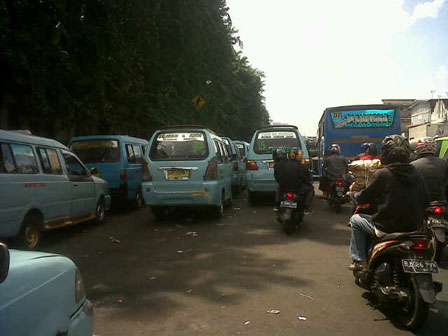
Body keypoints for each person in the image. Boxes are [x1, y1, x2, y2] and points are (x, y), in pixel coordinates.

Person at [348, 135, 430, 271]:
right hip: (413, 228)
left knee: (355, 219)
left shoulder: (383, 174)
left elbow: (364, 197)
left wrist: (353, 195)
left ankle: (359, 260)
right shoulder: (416, 173)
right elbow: (426, 200)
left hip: (386, 228)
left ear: (385, 154)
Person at [289, 147, 314, 213]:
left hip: (286, 186)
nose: (301, 157)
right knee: (310, 189)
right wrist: (309, 182)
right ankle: (306, 207)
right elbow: (306, 178)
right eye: (300, 155)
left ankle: (277, 206)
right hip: (298, 187)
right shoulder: (302, 166)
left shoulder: (285, 164)